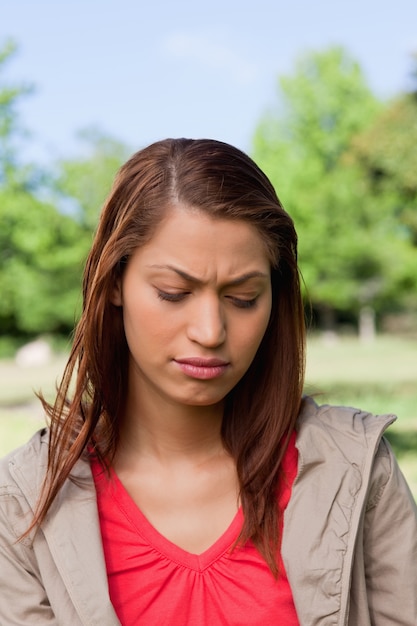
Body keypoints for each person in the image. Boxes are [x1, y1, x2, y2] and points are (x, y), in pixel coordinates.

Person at [0, 138, 416, 625]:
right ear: (114, 283)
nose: (211, 331)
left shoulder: (357, 470)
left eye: (243, 298)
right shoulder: (24, 502)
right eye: (173, 293)